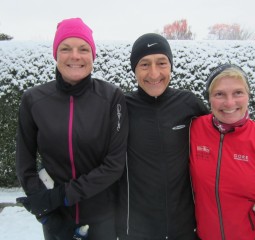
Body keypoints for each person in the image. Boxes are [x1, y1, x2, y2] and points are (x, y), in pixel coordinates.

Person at [15, 17, 128, 240]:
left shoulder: (111, 97)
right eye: (65, 48)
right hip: (56, 218)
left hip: (102, 218)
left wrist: (65, 195)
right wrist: (45, 212)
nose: (75, 56)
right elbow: (24, 163)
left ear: (92, 56)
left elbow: (114, 164)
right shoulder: (33, 100)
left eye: (83, 49)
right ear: (56, 54)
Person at [117, 33, 209, 240]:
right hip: (135, 230)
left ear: (171, 66)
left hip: (185, 227)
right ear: (134, 69)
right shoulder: (121, 106)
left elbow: (223, 142)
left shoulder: (188, 103)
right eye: (144, 64)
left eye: (161, 63)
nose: (154, 73)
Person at [189, 63, 255, 240]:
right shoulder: (194, 130)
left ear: (248, 96)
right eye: (219, 94)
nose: (229, 103)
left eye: (238, 93)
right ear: (209, 98)